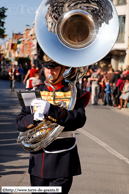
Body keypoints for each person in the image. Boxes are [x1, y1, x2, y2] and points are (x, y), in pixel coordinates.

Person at [15, 44, 90, 194]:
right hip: (38, 161)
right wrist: (33, 118)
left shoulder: (75, 93)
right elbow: (20, 122)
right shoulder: (34, 91)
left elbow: (79, 119)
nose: (50, 72)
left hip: (63, 159)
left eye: (55, 68)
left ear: (64, 69)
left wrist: (52, 110)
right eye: (47, 67)